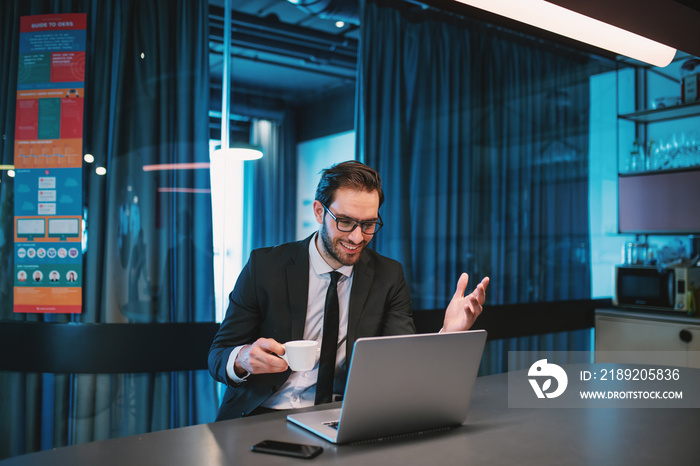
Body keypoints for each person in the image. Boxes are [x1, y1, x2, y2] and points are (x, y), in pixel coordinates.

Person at [208, 161, 489, 421]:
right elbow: (218, 354)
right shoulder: (265, 266)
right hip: (262, 412)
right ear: (319, 211)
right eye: (345, 222)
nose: (357, 237)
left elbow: (402, 363)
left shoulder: (388, 275)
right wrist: (243, 358)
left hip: (344, 415)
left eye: (368, 224)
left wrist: (448, 335)